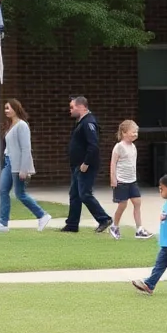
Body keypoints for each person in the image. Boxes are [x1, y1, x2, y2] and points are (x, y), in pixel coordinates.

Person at [0, 99, 52, 232]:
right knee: (2, 190)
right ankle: (2, 223)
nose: (6, 111)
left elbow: (26, 148)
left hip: (18, 164)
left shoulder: (22, 125)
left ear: (16, 108)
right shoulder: (10, 125)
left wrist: (24, 169)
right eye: (5, 108)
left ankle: (42, 215)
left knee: (20, 194)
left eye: (8, 108)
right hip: (9, 162)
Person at [62, 96, 113, 234]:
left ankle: (104, 219)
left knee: (84, 194)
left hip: (85, 166)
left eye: (72, 107)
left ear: (81, 107)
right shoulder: (81, 122)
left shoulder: (88, 122)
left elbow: (93, 146)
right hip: (77, 165)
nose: (70, 110)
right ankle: (72, 224)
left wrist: (86, 162)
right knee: (74, 194)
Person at [109, 120, 151, 240]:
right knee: (122, 205)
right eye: (133, 132)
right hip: (121, 181)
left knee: (137, 203)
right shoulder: (119, 147)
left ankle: (139, 229)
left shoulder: (133, 147)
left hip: (132, 181)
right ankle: (114, 226)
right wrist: (113, 179)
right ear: (124, 132)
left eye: (136, 132)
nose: (135, 134)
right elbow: (113, 163)